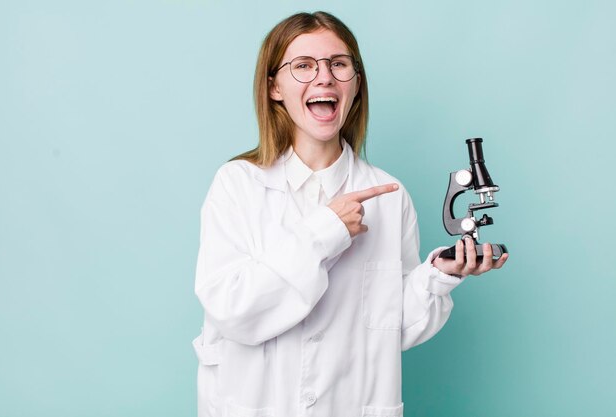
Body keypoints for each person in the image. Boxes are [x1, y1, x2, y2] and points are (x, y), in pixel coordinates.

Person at [192, 11, 508, 417]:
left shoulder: (390, 196)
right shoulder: (237, 184)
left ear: (356, 85)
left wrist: (440, 275)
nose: (324, 77)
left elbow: (392, 328)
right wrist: (326, 231)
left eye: (338, 64)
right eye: (303, 66)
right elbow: (234, 311)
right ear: (274, 87)